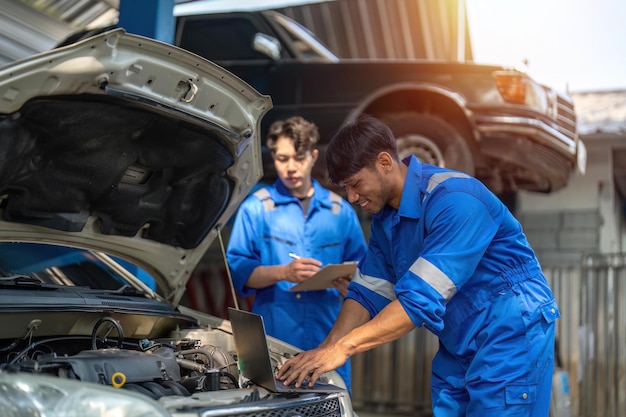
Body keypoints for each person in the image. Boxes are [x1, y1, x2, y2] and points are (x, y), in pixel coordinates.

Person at [276, 114, 559, 416]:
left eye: (356, 184)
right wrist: (326, 348)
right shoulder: (387, 220)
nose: (352, 197)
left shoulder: (456, 200)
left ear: (385, 163)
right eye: (345, 187)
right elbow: (366, 291)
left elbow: (418, 302)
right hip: (460, 339)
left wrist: (342, 349)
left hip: (511, 331)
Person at [226, 116, 367, 391]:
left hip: (327, 340)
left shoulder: (341, 212)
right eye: (282, 158)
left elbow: (366, 274)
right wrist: (284, 272)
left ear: (314, 156)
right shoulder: (256, 208)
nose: (290, 167)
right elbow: (238, 270)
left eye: (298, 158)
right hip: (274, 341)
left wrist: (347, 286)